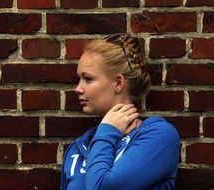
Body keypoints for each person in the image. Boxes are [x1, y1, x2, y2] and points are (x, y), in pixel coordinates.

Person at [60, 34, 180, 190]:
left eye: (88, 79)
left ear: (118, 83)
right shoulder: (79, 147)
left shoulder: (158, 136)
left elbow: (101, 188)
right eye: (79, 79)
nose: (78, 88)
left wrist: (107, 131)